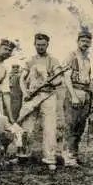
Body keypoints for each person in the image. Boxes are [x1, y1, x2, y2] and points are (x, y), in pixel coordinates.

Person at [18, 33, 63, 170]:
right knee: (27, 126)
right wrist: (25, 92)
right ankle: (23, 155)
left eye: (43, 45)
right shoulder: (30, 61)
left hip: (48, 96)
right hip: (32, 96)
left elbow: (59, 79)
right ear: (34, 44)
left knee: (49, 127)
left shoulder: (53, 61)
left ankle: (49, 157)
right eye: (38, 45)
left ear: (47, 45)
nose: (40, 47)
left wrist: (51, 81)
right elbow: (22, 78)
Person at [62, 28, 93, 166]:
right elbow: (67, 77)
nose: (85, 43)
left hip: (85, 92)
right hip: (74, 91)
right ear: (78, 41)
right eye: (83, 40)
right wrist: (73, 96)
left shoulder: (87, 59)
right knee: (71, 125)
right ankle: (67, 155)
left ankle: (74, 154)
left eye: (87, 41)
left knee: (81, 125)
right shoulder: (72, 56)